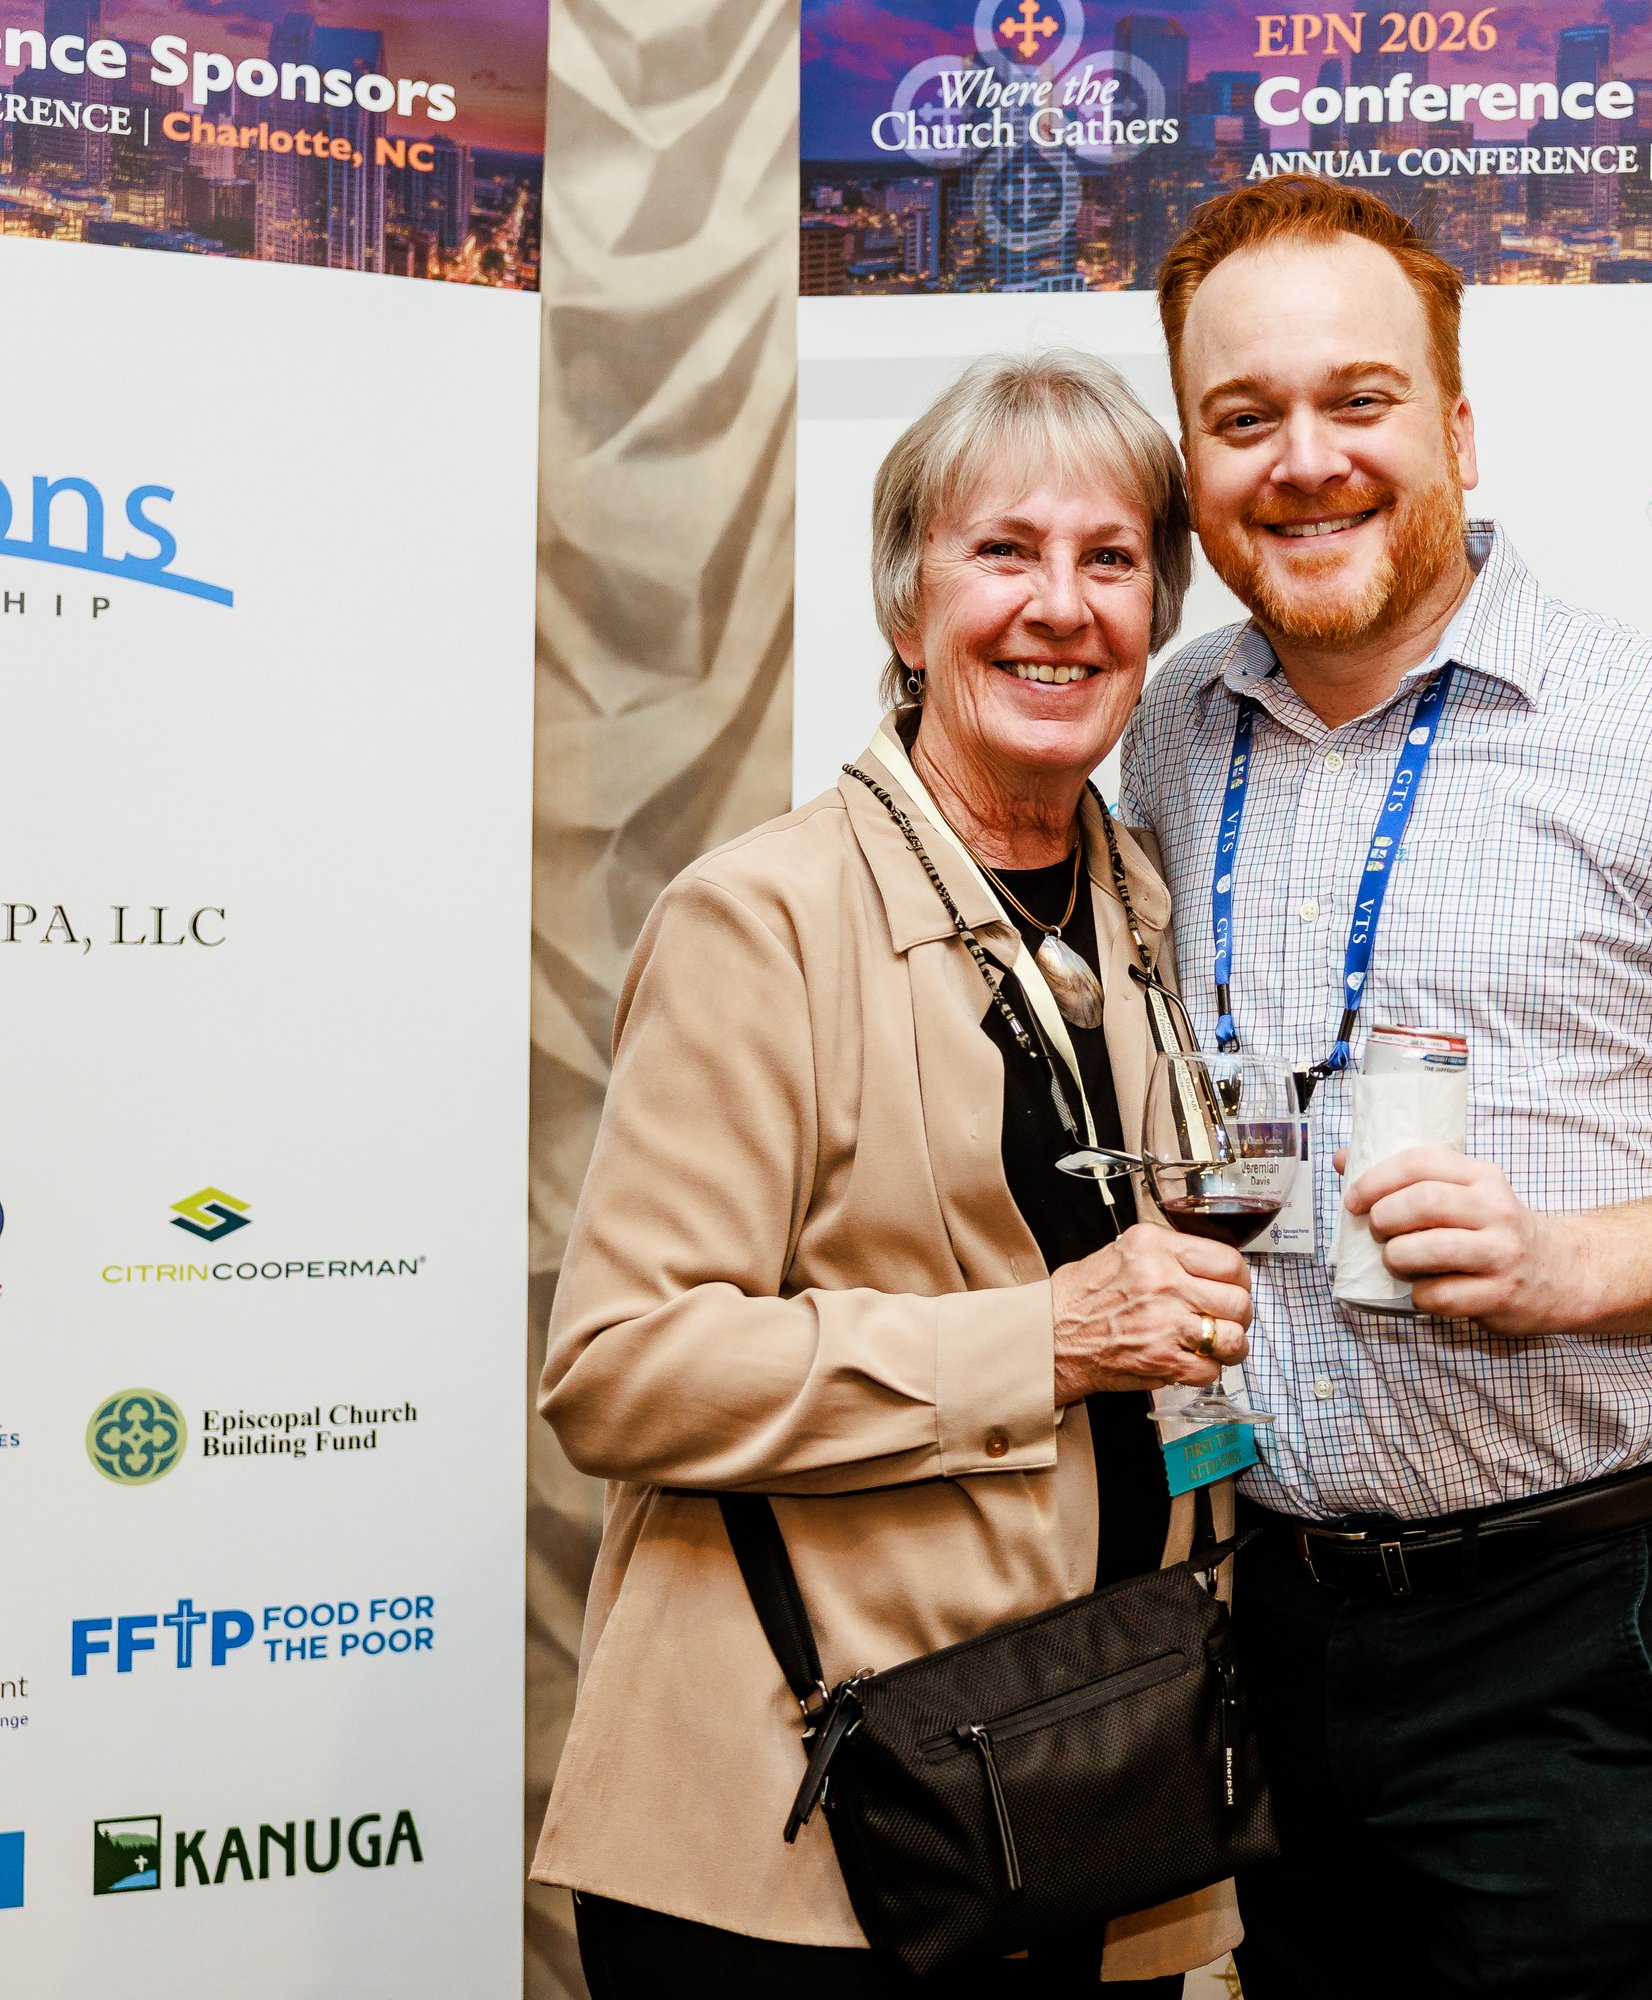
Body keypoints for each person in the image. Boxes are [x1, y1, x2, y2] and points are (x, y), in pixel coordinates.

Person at [1118, 177, 1652, 1999]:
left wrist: (1571, 1265)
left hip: (1572, 1632)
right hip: (1260, 1614)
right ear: (1192, 463)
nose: (1304, 462)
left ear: (1459, 428)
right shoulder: (1169, 728)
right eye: (1243, 418)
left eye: (1359, 400)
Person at [532, 350, 1252, 1996]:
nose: (1060, 607)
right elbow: (620, 1370)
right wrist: (1047, 1340)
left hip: (1097, 1797)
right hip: (813, 1838)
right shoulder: (762, 920)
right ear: (907, 604)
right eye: (1003, 551)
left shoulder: (1143, 908)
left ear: (1156, 616)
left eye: (1110, 558)